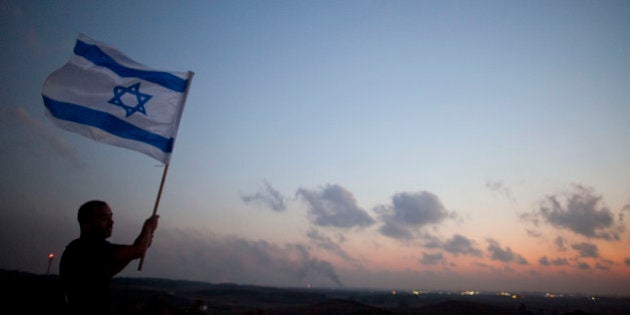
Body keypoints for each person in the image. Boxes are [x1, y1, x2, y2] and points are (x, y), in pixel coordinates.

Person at [60, 200, 159, 315]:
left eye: (111, 218)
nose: (111, 223)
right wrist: (148, 227)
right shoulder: (89, 248)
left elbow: (121, 261)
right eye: (104, 218)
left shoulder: (79, 249)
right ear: (86, 223)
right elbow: (137, 250)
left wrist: (143, 242)